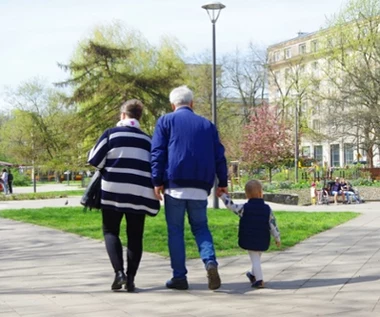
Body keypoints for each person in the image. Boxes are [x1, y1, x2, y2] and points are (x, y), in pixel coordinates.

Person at [151, 85, 228, 291]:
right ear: (192, 103)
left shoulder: (165, 121)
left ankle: (179, 277)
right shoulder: (207, 125)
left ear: (172, 104)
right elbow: (219, 155)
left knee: (175, 231)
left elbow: (157, 153)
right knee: (201, 228)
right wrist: (223, 183)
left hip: (174, 185)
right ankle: (210, 262)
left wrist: (156, 181)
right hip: (200, 186)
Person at [88, 99, 160, 292]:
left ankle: (118, 272)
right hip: (139, 193)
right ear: (139, 117)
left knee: (111, 231)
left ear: (122, 115)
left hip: (113, 191)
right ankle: (131, 280)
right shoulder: (148, 140)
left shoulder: (111, 134)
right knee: (135, 236)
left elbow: (94, 160)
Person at [219, 180, 281, 288]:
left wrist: (223, 196)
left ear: (247, 195)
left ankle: (259, 280)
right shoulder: (267, 209)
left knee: (255, 259)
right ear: (261, 193)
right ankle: (252, 274)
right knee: (256, 257)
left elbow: (231, 206)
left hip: (249, 237)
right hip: (263, 238)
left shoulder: (244, 208)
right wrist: (277, 237)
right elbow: (272, 224)